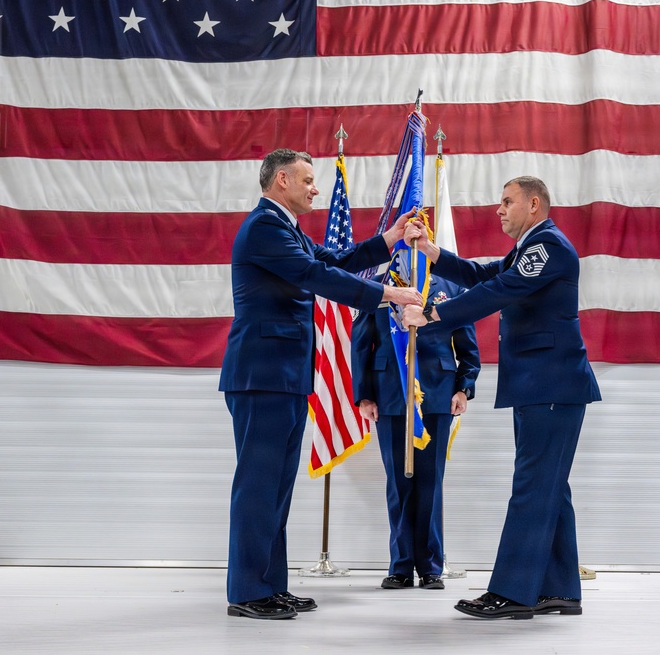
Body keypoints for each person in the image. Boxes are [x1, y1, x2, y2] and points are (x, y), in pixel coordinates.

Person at [218, 148, 423, 620]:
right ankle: (247, 591)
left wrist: (389, 239)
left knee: (277, 489)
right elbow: (316, 275)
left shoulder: (287, 229)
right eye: (308, 180)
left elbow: (336, 260)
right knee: (258, 487)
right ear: (282, 180)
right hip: (262, 376)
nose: (316, 189)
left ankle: (270, 585)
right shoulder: (265, 227)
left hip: (286, 376)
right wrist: (389, 294)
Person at [402, 176, 601, 619]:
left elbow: (499, 290)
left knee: (532, 487)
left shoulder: (548, 246)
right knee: (549, 488)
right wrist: (434, 253)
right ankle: (560, 589)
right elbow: (484, 275)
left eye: (508, 201)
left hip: (550, 386)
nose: (499, 209)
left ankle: (512, 592)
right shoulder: (528, 249)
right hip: (542, 386)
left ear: (534, 204)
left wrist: (433, 313)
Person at [352, 272, 480, 591]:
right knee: (398, 483)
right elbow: (361, 343)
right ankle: (400, 566)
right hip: (390, 393)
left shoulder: (450, 287)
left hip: (438, 392)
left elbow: (467, 345)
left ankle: (431, 567)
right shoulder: (378, 286)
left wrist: (463, 388)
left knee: (430, 481)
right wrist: (364, 394)